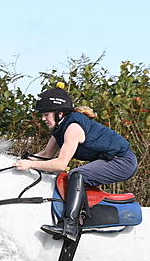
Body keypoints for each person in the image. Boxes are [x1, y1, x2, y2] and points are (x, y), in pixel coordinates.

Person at [14, 84, 138, 241]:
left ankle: (70, 226)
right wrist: (20, 161)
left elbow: (60, 164)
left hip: (123, 161)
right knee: (76, 174)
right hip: (111, 159)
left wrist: (30, 165)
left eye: (46, 115)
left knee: (77, 174)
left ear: (59, 113)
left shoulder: (73, 128)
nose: (43, 119)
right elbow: (46, 155)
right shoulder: (60, 128)